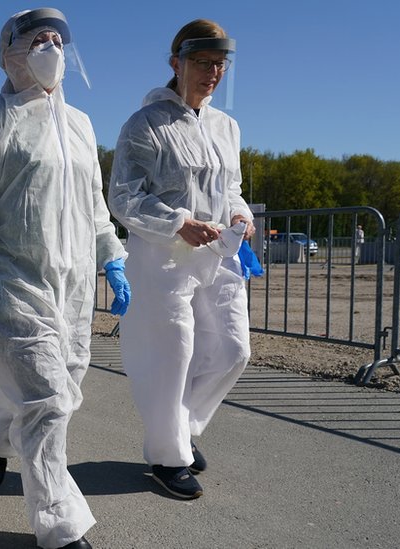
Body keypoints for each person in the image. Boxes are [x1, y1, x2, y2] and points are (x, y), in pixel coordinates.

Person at [0, 9, 129, 549]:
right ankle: (60, 526)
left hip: (72, 288)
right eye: (37, 39)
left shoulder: (81, 124)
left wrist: (111, 258)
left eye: (58, 40)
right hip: (14, 278)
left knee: (64, 385)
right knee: (48, 399)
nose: (51, 48)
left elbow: (93, 203)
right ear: (9, 55)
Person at [108, 19, 253, 501]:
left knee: (234, 349)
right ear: (176, 64)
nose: (212, 73)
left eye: (219, 65)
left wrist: (240, 213)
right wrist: (177, 223)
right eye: (201, 63)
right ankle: (169, 456)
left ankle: (182, 429)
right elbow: (124, 197)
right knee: (171, 356)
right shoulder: (145, 124)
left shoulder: (226, 126)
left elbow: (229, 187)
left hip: (217, 252)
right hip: (162, 255)